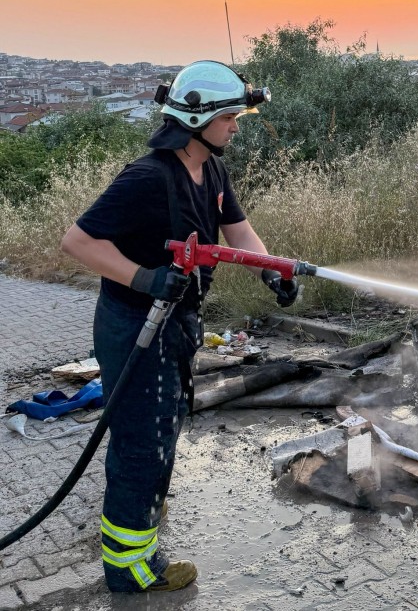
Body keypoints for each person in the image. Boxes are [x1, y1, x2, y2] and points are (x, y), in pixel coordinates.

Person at [60, 60, 298, 593]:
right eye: (231, 117)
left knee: (165, 428)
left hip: (178, 321)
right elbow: (77, 242)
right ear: (199, 119)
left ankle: (143, 513)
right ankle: (129, 568)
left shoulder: (211, 171)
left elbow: (239, 231)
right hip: (134, 325)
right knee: (142, 441)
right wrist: (143, 279)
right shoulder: (147, 177)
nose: (237, 126)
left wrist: (274, 272)